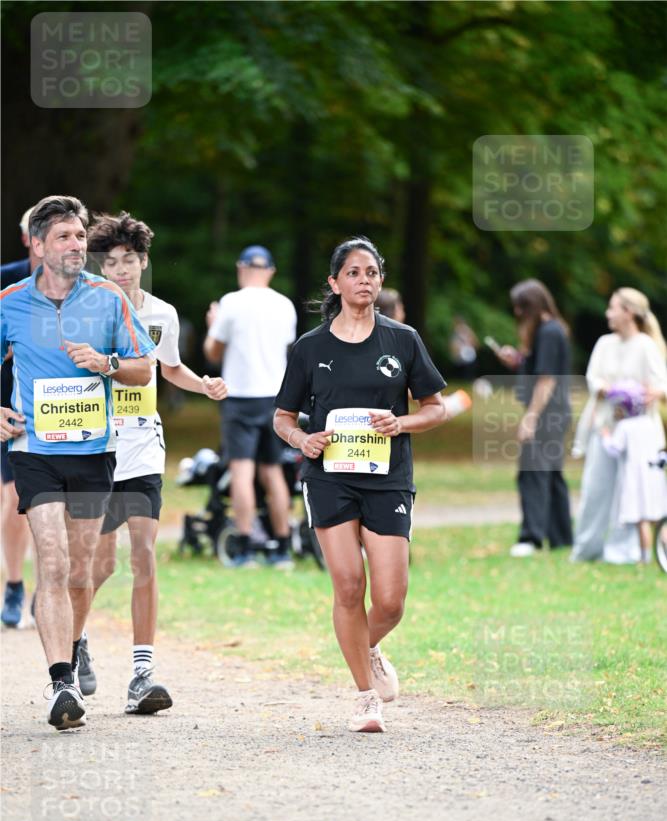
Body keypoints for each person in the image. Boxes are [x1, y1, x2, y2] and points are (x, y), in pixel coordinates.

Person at [273, 236, 447, 734]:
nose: (363, 280)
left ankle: (365, 646)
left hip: (388, 478)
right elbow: (282, 417)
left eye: (371, 272)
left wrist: (401, 424)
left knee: (391, 598)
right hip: (329, 478)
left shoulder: (403, 340)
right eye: (353, 272)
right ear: (335, 283)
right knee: (349, 585)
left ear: (380, 280)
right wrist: (302, 439)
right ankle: (365, 698)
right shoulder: (311, 347)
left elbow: (435, 408)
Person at [0, 194, 154, 731]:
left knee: (84, 571)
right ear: (38, 245)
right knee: (53, 560)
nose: (76, 245)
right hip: (35, 451)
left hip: (94, 451)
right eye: (64, 236)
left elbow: (143, 370)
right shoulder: (10, 301)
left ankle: (74, 641)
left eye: (80, 236)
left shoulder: (109, 299)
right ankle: (61, 682)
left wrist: (107, 363)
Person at [78, 212, 228, 711]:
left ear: (144, 262)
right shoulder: (84, 309)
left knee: (143, 554)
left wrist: (203, 385)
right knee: (98, 566)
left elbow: (172, 367)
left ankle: (142, 673)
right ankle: (75, 643)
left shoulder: (161, 313)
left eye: (129, 261)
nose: (120, 270)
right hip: (96, 446)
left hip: (142, 445)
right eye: (111, 262)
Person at [204, 245, 297, 568]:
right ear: (270, 271)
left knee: (241, 471)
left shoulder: (231, 303)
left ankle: (244, 546)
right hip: (275, 397)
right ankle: (283, 546)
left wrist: (213, 325)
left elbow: (213, 353)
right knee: (274, 472)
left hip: (239, 395)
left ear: (241, 268)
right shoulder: (285, 306)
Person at [571, 288, 667, 563]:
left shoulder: (646, 346)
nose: (607, 313)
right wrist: (612, 390)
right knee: (595, 487)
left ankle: (624, 550)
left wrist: (650, 393)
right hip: (607, 427)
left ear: (629, 312)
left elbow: (662, 385)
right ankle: (586, 547)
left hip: (638, 433)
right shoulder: (604, 343)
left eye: (612, 308)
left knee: (631, 489)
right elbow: (594, 380)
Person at [496, 279, 573, 557]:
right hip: (555, 412)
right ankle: (562, 537)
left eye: (520, 307)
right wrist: (518, 360)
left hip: (547, 413)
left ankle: (531, 537)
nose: (517, 313)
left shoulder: (549, 332)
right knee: (551, 475)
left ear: (533, 306)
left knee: (533, 473)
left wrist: (530, 418)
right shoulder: (550, 331)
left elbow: (547, 380)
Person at [1, 206, 37, 627]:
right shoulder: (5, 281)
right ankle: (13, 586)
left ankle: (47, 594)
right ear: (29, 239)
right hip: (8, 398)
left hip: (55, 403)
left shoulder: (83, 290)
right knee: (13, 498)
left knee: (54, 504)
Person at [600, 381, 667, 564]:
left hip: (636, 478)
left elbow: (614, 449)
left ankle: (644, 558)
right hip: (654, 475)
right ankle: (664, 553)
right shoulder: (650, 423)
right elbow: (660, 448)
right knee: (658, 520)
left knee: (642, 520)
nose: (616, 411)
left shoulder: (625, 427)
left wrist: (605, 437)